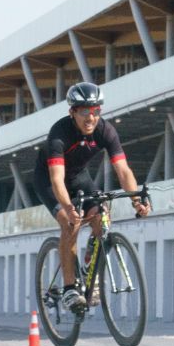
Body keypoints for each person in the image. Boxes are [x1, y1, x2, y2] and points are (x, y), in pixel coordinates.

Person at [45, 83, 151, 313]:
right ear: (72, 111)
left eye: (96, 111)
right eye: (84, 111)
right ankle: (69, 288)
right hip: (50, 181)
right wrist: (68, 208)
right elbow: (56, 180)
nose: (91, 117)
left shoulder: (106, 131)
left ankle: (88, 266)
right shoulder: (60, 133)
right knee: (69, 222)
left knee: (102, 215)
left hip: (79, 178)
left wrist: (136, 201)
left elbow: (123, 170)